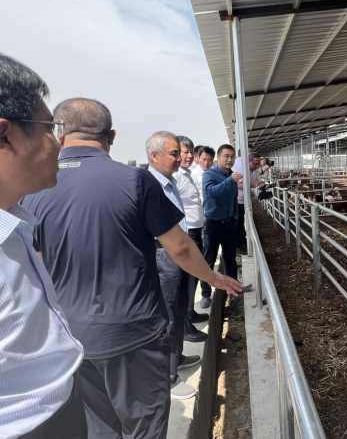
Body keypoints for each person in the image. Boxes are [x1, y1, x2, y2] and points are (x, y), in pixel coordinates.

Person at [22, 99, 242, 439]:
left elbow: (35, 261)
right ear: (110, 136)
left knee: (100, 423)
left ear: (59, 134)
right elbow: (180, 247)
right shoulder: (134, 181)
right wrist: (213, 278)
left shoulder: (34, 189)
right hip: (132, 331)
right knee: (144, 422)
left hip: (70, 334)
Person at [0, 53, 86, 439]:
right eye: (49, 127)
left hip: (58, 407)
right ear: (4, 137)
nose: (58, 142)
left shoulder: (16, 223)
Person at [147, 131, 208, 401]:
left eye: (180, 153)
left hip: (178, 252)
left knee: (181, 305)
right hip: (164, 255)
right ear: (155, 155)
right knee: (168, 314)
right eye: (174, 154)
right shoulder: (149, 184)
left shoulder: (171, 181)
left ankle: (177, 357)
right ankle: (167, 379)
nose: (181, 158)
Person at [172, 136, 210, 336]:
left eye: (189, 152)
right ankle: (185, 325)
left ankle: (189, 313)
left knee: (191, 278)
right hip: (187, 232)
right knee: (186, 279)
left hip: (196, 229)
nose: (187, 156)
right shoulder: (176, 177)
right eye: (183, 152)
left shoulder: (185, 174)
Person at [202, 144, 246, 296]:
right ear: (218, 157)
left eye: (232, 157)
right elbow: (210, 193)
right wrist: (230, 181)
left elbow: (234, 198)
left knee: (230, 257)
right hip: (213, 223)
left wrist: (234, 216)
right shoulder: (210, 174)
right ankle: (206, 294)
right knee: (209, 259)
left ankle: (235, 288)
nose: (229, 159)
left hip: (229, 223)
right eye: (226, 156)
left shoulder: (232, 175)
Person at [191, 145, 215, 308]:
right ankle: (205, 294)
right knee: (203, 258)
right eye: (204, 159)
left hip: (212, 219)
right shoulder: (193, 176)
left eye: (209, 160)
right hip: (199, 222)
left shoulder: (214, 174)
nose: (206, 163)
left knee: (211, 255)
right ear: (197, 158)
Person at [232, 152, 265, 255]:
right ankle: (238, 246)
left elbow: (260, 181)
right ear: (249, 162)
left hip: (246, 200)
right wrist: (251, 185)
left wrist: (262, 184)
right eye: (255, 164)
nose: (257, 166)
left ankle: (242, 243)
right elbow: (238, 184)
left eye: (258, 164)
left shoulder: (255, 172)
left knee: (242, 222)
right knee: (238, 223)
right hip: (237, 200)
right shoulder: (242, 170)